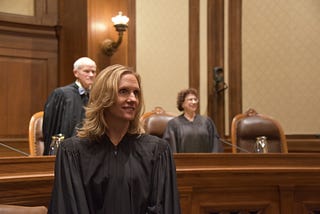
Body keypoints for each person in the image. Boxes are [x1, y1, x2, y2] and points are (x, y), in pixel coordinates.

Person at [48, 64, 181, 214]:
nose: (133, 99)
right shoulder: (72, 152)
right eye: (123, 91)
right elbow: (70, 208)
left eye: (136, 93)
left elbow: (163, 207)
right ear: (104, 97)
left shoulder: (157, 151)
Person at [42, 57, 97, 155]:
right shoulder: (61, 94)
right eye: (87, 71)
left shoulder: (95, 96)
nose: (91, 75)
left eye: (93, 71)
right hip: (65, 152)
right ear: (76, 73)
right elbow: (51, 128)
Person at [163, 88, 223, 153]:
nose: (194, 102)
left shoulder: (206, 122)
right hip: (182, 162)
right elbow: (171, 149)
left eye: (195, 99)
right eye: (190, 100)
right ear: (182, 104)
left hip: (205, 161)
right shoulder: (174, 124)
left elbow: (215, 145)